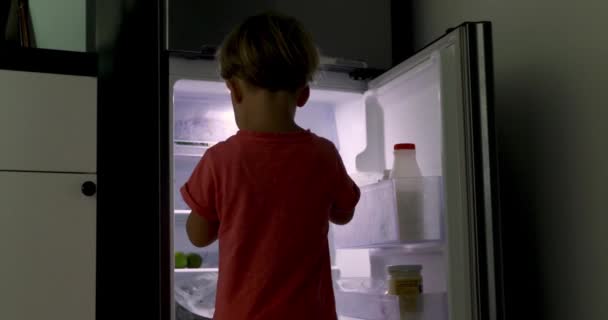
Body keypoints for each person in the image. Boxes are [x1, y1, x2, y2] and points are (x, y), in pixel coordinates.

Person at [180, 11, 360, 320]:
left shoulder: (220, 160)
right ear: (303, 94)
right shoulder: (323, 154)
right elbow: (344, 214)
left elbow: (198, 235)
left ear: (234, 90)